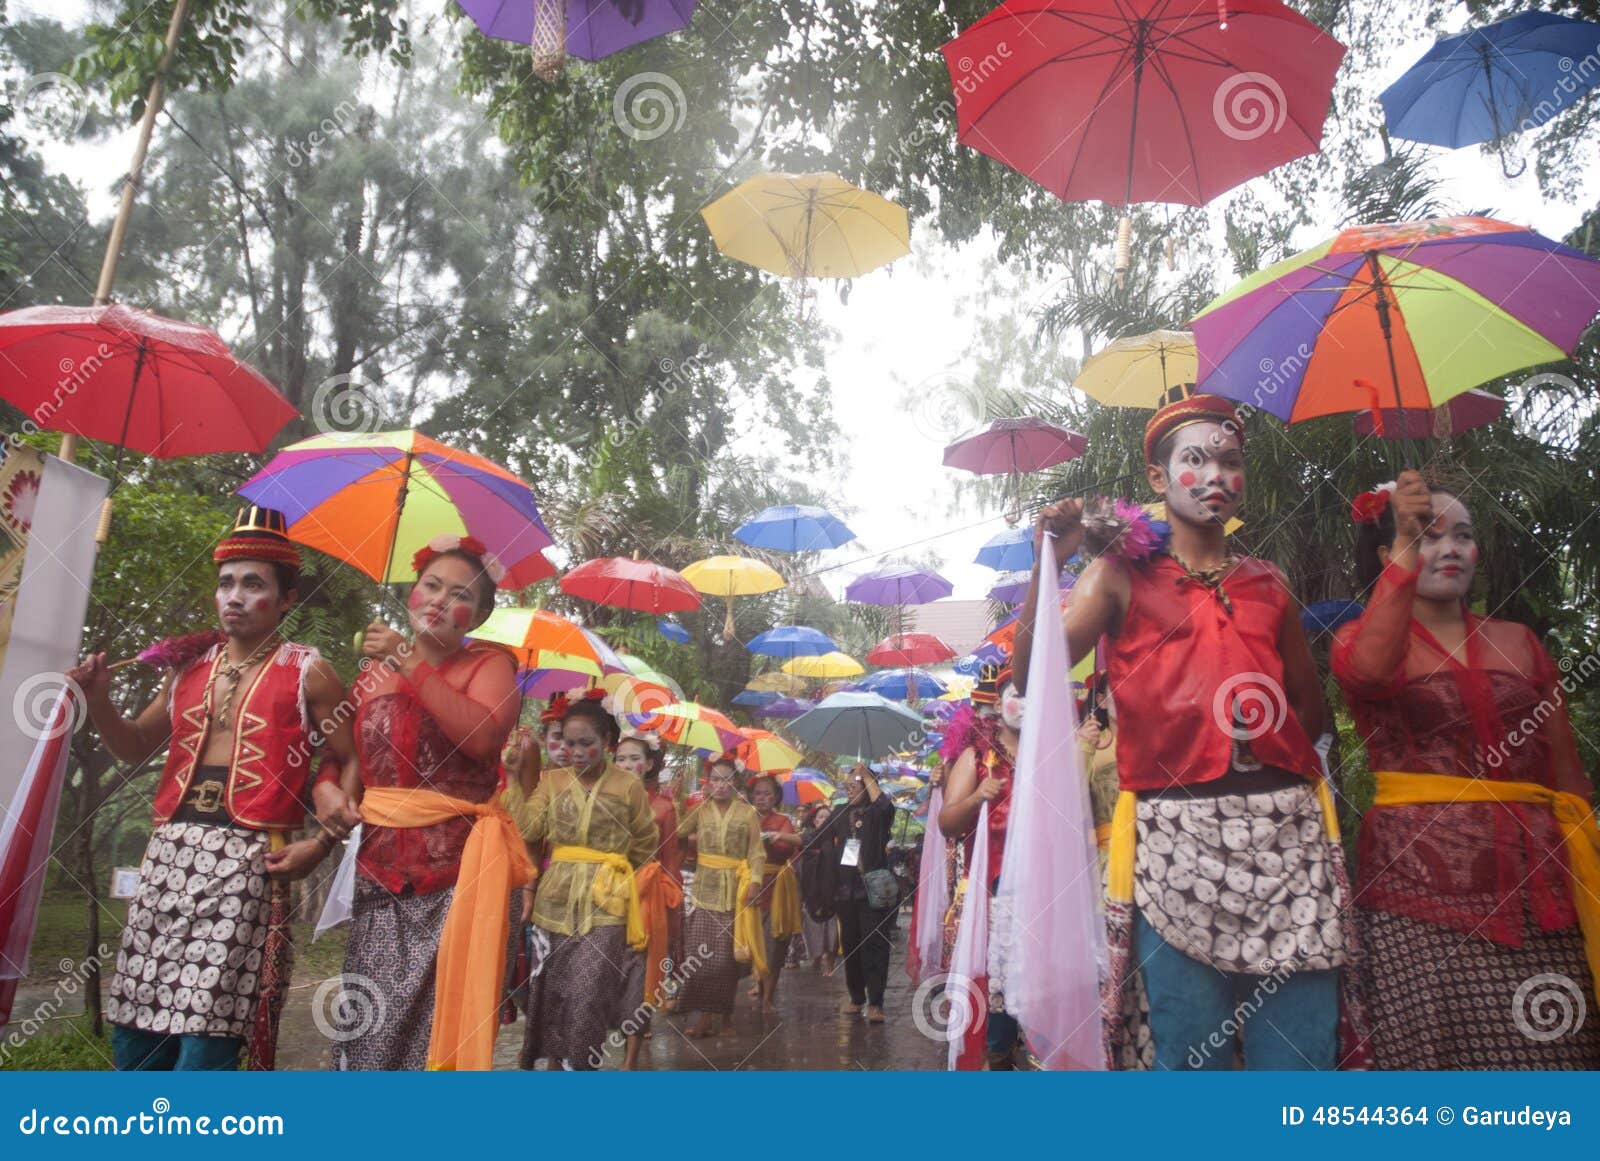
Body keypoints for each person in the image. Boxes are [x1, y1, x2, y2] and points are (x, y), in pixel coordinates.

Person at [1014, 393, 1350, 1071]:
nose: (1218, 475)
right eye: (1196, 459)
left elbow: (1308, 715)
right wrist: (1046, 560)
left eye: (1231, 461)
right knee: (1192, 1053)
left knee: (1302, 1055)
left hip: (1288, 837)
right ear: (1159, 480)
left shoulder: (1269, 583)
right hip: (1174, 841)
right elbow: (1031, 670)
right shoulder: (1115, 576)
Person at [68, 506, 357, 1071]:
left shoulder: (308, 670)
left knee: (209, 1029)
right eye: (227, 583)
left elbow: (349, 762)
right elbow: (132, 746)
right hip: (169, 853)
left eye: (254, 584)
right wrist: (99, 698)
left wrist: (320, 844)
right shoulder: (186, 669)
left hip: (250, 860)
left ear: (285, 597)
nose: (236, 596)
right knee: (138, 1022)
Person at [1334, 471, 1600, 1068]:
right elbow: (1372, 675)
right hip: (1418, 903)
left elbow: (1567, 776)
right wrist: (1403, 542)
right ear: (1390, 552)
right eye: (1427, 536)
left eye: (1462, 535)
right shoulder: (1357, 639)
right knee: (1430, 1070)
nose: (1450, 548)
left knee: (1560, 1061)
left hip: (1543, 896)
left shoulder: (1520, 641)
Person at [329, 534, 528, 1071]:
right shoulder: (371, 674)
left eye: (459, 594)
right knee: (368, 1033)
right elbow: (341, 755)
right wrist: (329, 788)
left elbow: (482, 738)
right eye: (431, 586)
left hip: (460, 878)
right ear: (412, 593)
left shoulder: (491, 667)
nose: (439, 600)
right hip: (378, 874)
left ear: (480, 614)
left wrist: (408, 659)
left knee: (436, 1037)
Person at [513, 697, 658, 1070]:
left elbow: (645, 839)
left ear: (607, 740)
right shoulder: (551, 781)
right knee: (551, 990)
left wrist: (615, 872)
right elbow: (528, 830)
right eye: (567, 742)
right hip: (553, 904)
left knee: (588, 993)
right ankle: (554, 1062)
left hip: (607, 905)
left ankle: (581, 1065)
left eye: (585, 742)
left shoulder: (628, 787)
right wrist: (518, 778)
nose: (575, 751)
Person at [939, 663, 1026, 1067]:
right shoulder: (978, 757)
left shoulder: (1061, 751)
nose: (1025, 704)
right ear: (1000, 703)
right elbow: (947, 823)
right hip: (995, 894)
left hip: (1052, 895)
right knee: (1000, 1003)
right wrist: (978, 799)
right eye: (1017, 694)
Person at [675, 757, 765, 1038]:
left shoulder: (747, 812)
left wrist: (756, 881)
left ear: (734, 782)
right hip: (703, 889)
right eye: (715, 779)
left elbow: (757, 852)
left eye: (726, 779)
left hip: (734, 891)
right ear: (708, 783)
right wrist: (679, 799)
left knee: (726, 960)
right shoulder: (700, 810)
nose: (720, 785)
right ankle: (702, 1017)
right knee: (699, 957)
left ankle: (724, 1016)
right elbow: (680, 831)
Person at [612, 727, 682, 1069]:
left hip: (646, 898)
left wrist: (673, 905)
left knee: (640, 975)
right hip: (607, 892)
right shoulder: (602, 797)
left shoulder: (664, 808)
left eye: (634, 758)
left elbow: (670, 862)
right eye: (620, 758)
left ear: (649, 763)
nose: (626, 764)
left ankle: (631, 1058)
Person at [819, 763, 896, 1024]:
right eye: (847, 786)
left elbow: (885, 806)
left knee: (875, 945)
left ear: (867, 786)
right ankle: (856, 997)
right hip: (845, 892)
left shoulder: (878, 813)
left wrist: (865, 773)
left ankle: (876, 1002)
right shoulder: (841, 812)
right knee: (850, 946)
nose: (849, 790)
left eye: (855, 785)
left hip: (872, 891)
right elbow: (818, 836)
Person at [746, 774, 802, 1012]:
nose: (762, 798)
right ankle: (757, 983)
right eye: (758, 793)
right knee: (751, 939)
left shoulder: (781, 820)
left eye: (767, 793)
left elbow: (789, 846)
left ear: (776, 797)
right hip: (748, 883)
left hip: (775, 885)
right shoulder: (745, 817)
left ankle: (768, 996)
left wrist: (770, 839)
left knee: (774, 941)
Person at [798, 804, 838, 974]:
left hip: (833, 893)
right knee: (812, 926)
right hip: (811, 892)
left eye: (828, 818)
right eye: (821, 817)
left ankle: (830, 963)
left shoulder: (838, 842)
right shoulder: (807, 840)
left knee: (832, 932)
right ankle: (814, 959)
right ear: (814, 821)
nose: (824, 820)